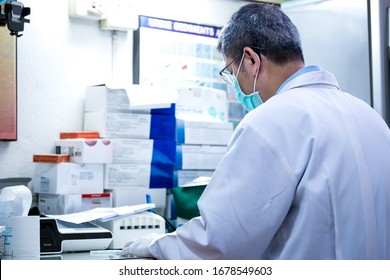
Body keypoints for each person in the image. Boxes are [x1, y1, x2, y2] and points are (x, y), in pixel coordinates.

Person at [121, 3, 390, 259]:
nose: (234, 85)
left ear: (250, 60)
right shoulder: (370, 117)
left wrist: (156, 246)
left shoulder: (270, 120)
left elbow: (219, 241)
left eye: (230, 72)